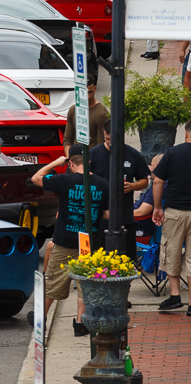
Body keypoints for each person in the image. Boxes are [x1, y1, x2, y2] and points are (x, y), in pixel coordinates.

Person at [32, 146, 109, 336]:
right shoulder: (102, 184)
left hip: (66, 239)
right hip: (89, 242)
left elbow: (36, 178)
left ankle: (41, 319)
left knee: (54, 282)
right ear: (89, 162)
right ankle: (81, 324)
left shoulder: (64, 180)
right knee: (85, 283)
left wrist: (56, 163)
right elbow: (107, 214)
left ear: (72, 163)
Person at [89, 118, 148, 259]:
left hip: (126, 217)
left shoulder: (133, 154)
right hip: (100, 218)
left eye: (113, 139)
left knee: (127, 261)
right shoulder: (94, 154)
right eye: (106, 138)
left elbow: (144, 181)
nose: (110, 143)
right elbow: (84, 180)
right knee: (100, 262)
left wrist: (133, 186)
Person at [152, 118, 191, 312]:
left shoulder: (172, 152)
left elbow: (158, 181)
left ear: (186, 134)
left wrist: (157, 207)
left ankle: (175, 295)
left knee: (172, 251)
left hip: (176, 211)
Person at [63, 75, 108, 153]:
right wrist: (70, 158)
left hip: (91, 160)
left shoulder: (101, 114)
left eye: (90, 92)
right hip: (75, 159)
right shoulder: (73, 110)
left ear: (95, 89)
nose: (87, 96)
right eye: (84, 93)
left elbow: (101, 147)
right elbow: (67, 139)